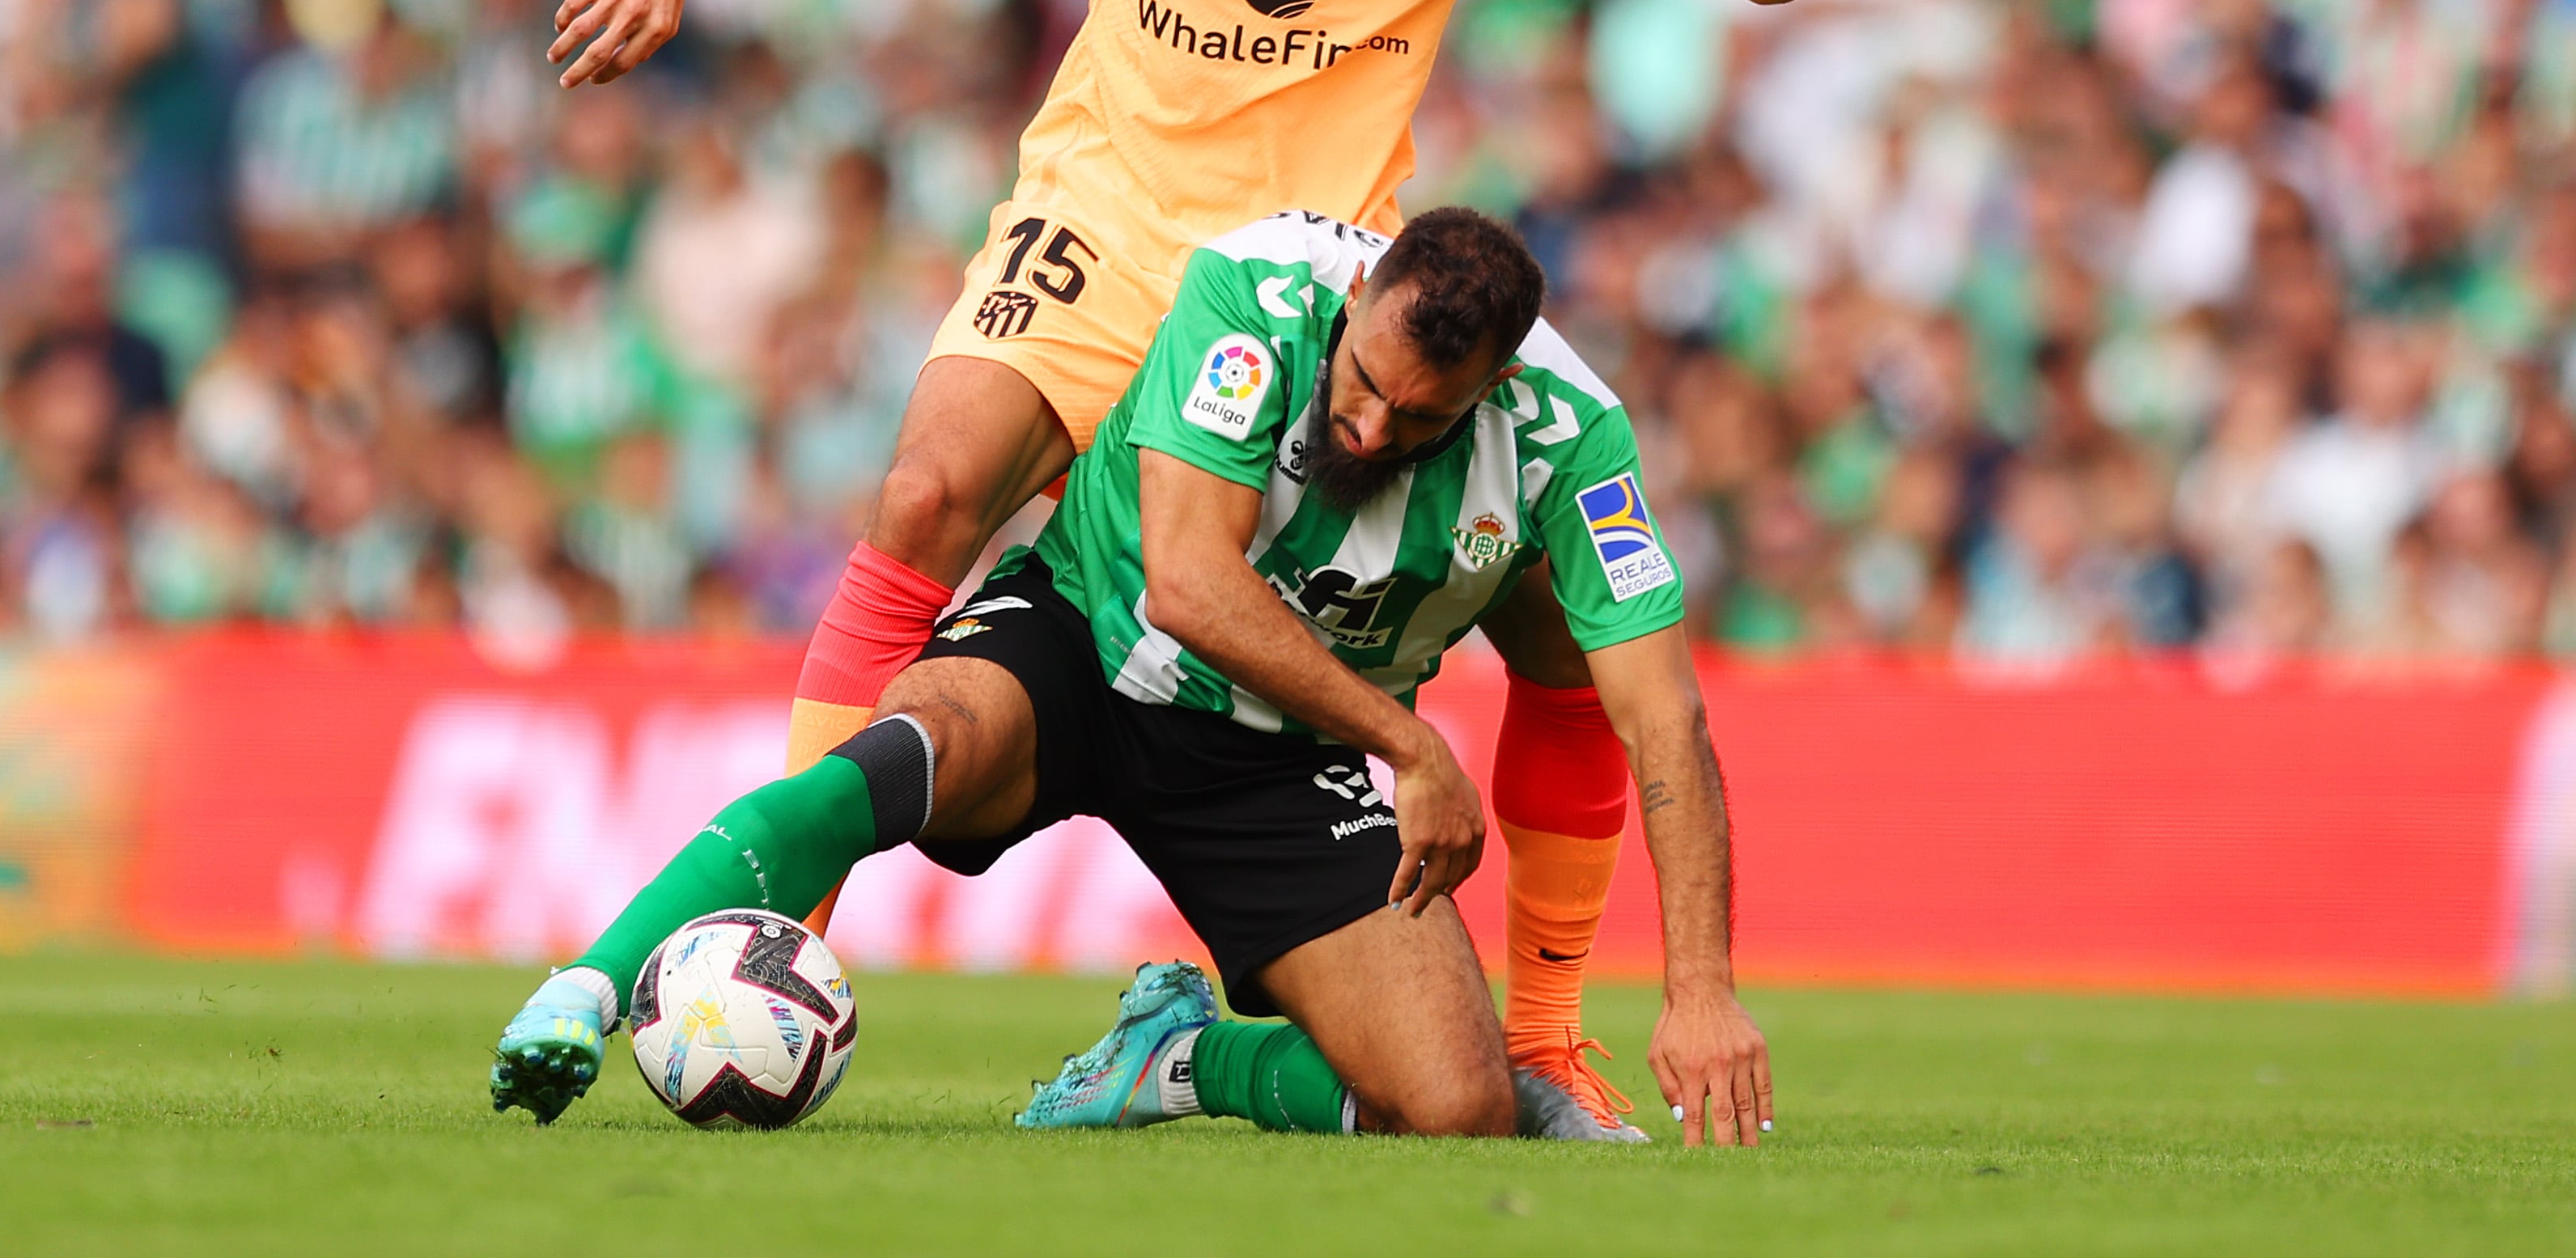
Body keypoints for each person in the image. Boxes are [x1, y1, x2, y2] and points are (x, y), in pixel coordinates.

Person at [531, 0, 1825, 1130]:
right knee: (927, 492)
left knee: (1559, 637)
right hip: (1105, 231)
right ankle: (773, 938)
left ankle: (1540, 1031)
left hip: (1309, 303)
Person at [493, 209, 1771, 1146]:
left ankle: (1182, 1054)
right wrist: (1415, 747)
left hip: (1280, 750)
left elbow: (1664, 717)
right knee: (909, 745)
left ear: (1492, 392)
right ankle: (589, 980)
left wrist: (1699, 990)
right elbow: (1188, 585)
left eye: (1419, 419)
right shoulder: (1253, 288)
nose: (1369, 429)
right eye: (1365, 383)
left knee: (1452, 1108)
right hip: (1081, 648)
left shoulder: (1569, 436)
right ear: (1358, 298)